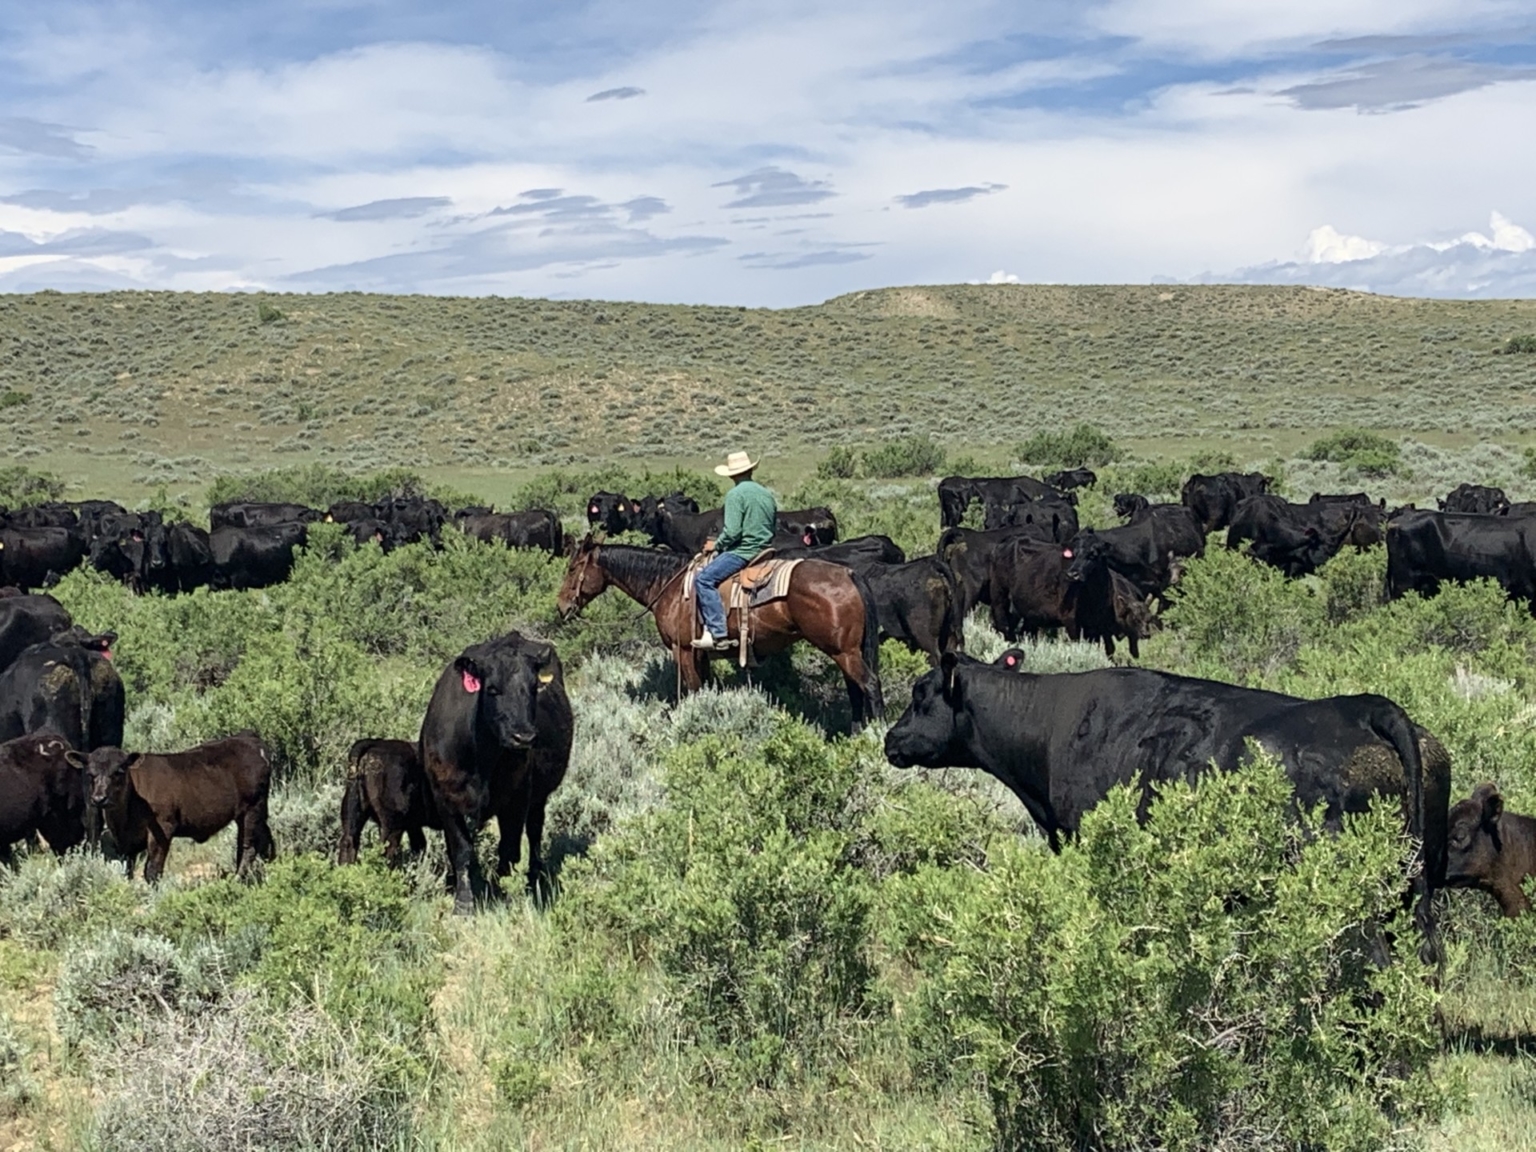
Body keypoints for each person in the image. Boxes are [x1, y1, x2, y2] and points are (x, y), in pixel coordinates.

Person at [692, 451, 778, 649]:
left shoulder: (735, 495)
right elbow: (773, 526)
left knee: (704, 580)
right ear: (750, 470)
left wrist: (717, 544)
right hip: (765, 550)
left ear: (731, 475)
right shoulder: (766, 494)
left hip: (744, 552)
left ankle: (718, 633)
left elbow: (732, 531)